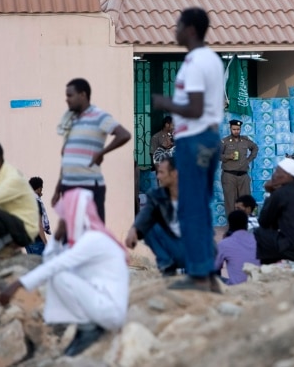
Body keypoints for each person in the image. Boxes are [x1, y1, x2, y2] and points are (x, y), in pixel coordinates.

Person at [0, 188, 129, 357]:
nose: (64, 219)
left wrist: (18, 285)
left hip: (110, 310)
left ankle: (88, 330)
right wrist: (58, 236)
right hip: (101, 303)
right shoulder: (84, 239)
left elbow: (55, 266)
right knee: (59, 274)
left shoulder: (93, 240)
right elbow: (50, 259)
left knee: (59, 275)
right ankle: (84, 329)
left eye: (66, 216)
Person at [152, 7, 224, 292]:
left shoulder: (194, 63)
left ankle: (198, 276)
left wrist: (164, 103)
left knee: (190, 210)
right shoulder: (213, 60)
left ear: (190, 29)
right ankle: (207, 271)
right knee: (201, 209)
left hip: (193, 140)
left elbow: (194, 109)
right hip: (208, 139)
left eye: (178, 25)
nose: (175, 30)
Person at [52, 78, 132, 222]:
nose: (66, 100)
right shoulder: (71, 120)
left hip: (88, 187)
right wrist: (58, 189)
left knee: (93, 236)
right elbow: (66, 158)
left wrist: (102, 152)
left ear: (82, 95)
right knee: (70, 238)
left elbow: (124, 135)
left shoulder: (99, 116)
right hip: (68, 186)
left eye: (70, 95)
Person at [125, 157, 186, 276]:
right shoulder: (156, 196)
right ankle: (166, 265)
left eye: (162, 173)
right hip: (173, 245)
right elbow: (146, 214)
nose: (158, 177)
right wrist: (134, 229)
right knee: (150, 227)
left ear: (174, 174)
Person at [220, 119, 259, 214]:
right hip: (229, 176)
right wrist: (228, 156)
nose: (236, 131)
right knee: (230, 201)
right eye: (234, 129)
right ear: (230, 129)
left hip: (243, 176)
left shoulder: (245, 140)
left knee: (245, 201)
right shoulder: (225, 141)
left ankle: (245, 224)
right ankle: (232, 226)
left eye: (238, 129)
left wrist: (248, 160)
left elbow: (255, 148)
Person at [214, 210, 260, 285]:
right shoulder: (258, 241)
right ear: (246, 224)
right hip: (258, 285)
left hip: (236, 287)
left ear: (230, 224)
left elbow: (215, 267)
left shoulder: (224, 244)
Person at [25, 177, 51, 255]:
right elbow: (39, 224)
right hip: (37, 241)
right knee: (41, 265)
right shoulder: (36, 202)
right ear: (39, 188)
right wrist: (45, 242)